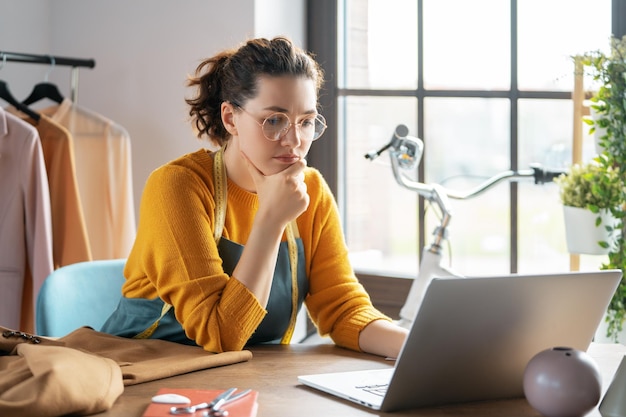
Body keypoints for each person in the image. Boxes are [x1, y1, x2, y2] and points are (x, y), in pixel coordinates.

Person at [101, 36, 408, 358]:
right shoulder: (178, 187)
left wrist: (417, 347)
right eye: (274, 120)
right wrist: (271, 219)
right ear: (231, 118)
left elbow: (343, 308)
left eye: (305, 122)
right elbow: (220, 334)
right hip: (142, 374)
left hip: (249, 377)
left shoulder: (312, 191)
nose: (294, 140)